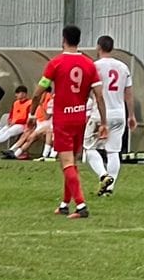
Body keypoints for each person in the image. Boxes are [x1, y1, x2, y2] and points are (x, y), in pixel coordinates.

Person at [44, 24, 106, 218]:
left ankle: (81, 206)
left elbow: (40, 89)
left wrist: (31, 113)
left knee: (67, 162)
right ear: (78, 40)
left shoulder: (56, 63)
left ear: (63, 39)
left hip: (63, 120)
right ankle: (64, 204)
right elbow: (99, 95)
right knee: (71, 162)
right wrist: (104, 122)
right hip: (80, 119)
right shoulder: (89, 64)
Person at [87, 35, 134, 194]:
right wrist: (131, 116)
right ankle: (109, 189)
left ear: (98, 47)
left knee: (90, 148)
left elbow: (89, 91)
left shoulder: (94, 66)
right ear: (112, 48)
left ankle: (103, 175)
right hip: (119, 113)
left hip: (100, 113)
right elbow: (129, 94)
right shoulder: (123, 67)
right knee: (113, 151)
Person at [0, 86, 32, 151]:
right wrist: (9, 120)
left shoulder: (30, 103)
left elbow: (28, 118)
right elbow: (11, 113)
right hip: (13, 123)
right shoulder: (15, 103)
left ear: (24, 94)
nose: (16, 95)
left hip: (23, 125)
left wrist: (16, 122)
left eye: (18, 93)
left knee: (10, 131)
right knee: (4, 129)